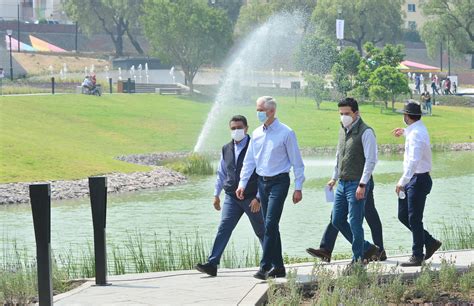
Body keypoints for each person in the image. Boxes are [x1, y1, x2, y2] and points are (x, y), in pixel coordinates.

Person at [236, 96, 305, 280]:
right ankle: (279, 267)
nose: (257, 113)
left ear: (272, 111)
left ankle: (264, 267)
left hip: (279, 182)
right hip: (262, 183)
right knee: (271, 226)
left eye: (260, 110)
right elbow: (249, 162)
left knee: (271, 224)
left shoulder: (286, 133)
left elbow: (297, 163)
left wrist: (298, 187)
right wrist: (242, 184)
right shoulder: (257, 134)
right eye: (257, 109)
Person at [196, 115, 264, 277]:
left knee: (262, 231)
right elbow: (221, 173)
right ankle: (212, 264)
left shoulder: (255, 146)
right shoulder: (226, 148)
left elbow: (263, 174)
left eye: (239, 127)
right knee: (224, 228)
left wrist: (259, 198)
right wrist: (216, 195)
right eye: (233, 128)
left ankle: (271, 263)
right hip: (231, 198)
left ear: (246, 128)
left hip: (251, 198)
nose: (236, 131)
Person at [326, 98, 380, 265]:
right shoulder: (343, 129)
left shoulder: (366, 132)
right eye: (341, 114)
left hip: (357, 183)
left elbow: (371, 160)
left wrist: (363, 184)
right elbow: (339, 155)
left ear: (356, 113)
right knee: (336, 220)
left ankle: (358, 260)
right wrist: (334, 177)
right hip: (342, 183)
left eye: (347, 113)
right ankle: (366, 248)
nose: (343, 117)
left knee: (355, 222)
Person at [392, 101, 442, 267]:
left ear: (407, 116)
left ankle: (417, 255)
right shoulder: (415, 130)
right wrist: (404, 131)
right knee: (404, 215)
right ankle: (429, 241)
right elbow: (413, 136)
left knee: (414, 218)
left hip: (417, 179)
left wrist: (402, 181)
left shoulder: (416, 135)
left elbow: (414, 161)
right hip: (415, 179)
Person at [306, 176, 386, 263]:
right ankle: (326, 249)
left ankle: (379, 251)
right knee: (337, 217)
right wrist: (334, 178)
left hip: (362, 182)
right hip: (346, 181)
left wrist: (362, 184)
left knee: (370, 214)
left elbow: (369, 163)